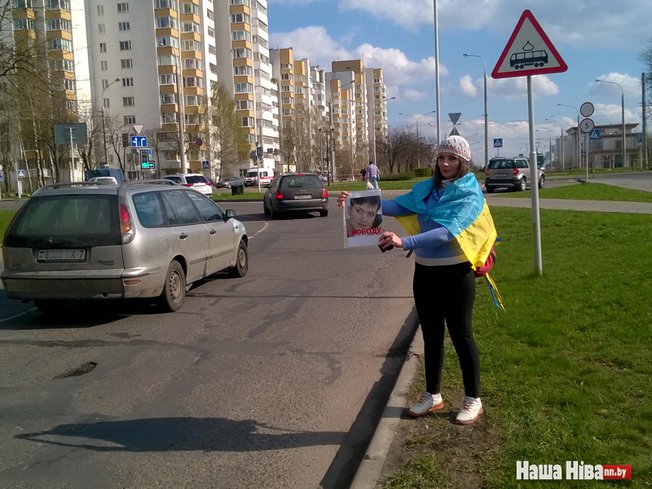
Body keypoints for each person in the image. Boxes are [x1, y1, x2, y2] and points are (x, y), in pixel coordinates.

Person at [338, 135, 497, 425]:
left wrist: (404, 240)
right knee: (431, 334)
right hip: (425, 271)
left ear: (463, 162)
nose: (445, 163)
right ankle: (432, 395)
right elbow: (396, 206)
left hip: (455, 272)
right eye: (441, 157)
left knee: (461, 336)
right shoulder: (427, 189)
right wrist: (355, 202)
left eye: (452, 158)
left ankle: (474, 399)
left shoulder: (470, 193)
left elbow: (447, 233)